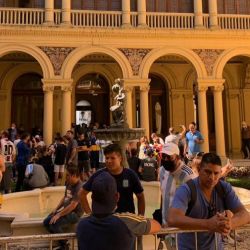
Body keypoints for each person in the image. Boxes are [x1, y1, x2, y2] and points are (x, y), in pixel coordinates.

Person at [168, 152, 250, 250]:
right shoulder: (187, 190)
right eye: (207, 172)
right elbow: (173, 218)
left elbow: (244, 214)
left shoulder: (224, 188)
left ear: (220, 173)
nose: (212, 177)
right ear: (199, 170)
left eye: (216, 173)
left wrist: (229, 224)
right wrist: (208, 224)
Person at [77, 171, 161, 250]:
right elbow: (157, 226)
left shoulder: (82, 223)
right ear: (117, 196)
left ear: (92, 197)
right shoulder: (127, 220)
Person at [79, 143, 145, 215]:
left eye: (112, 158)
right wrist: (90, 214)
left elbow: (140, 196)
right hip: (104, 220)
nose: (109, 161)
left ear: (120, 158)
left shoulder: (130, 175)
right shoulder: (98, 175)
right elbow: (82, 193)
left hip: (126, 219)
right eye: (107, 158)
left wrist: (140, 217)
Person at [43, 165, 83, 250]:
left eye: (67, 175)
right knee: (46, 222)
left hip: (74, 214)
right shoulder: (69, 183)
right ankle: (61, 242)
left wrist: (59, 215)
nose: (66, 177)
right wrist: (56, 209)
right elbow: (64, 198)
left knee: (54, 224)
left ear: (74, 175)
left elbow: (73, 206)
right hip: (66, 211)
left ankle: (65, 245)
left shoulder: (79, 187)